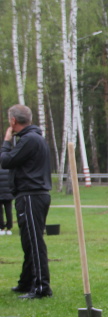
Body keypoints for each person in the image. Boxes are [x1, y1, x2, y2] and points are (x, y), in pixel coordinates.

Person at [0, 104, 52, 299]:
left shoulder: (29, 139)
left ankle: (41, 287)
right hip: (31, 195)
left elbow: (6, 160)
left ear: (13, 121)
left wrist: (6, 140)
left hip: (31, 194)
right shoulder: (33, 138)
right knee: (28, 241)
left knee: (34, 241)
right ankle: (26, 281)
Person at [0, 156, 13, 235]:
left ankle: (1, 228)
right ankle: (9, 228)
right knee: (8, 211)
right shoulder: (9, 171)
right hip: (8, 195)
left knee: (0, 212)